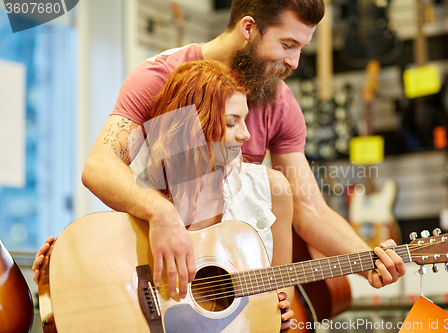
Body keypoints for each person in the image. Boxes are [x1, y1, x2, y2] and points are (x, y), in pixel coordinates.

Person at [62, 0, 406, 305]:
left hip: (230, 290)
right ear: (248, 28)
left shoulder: (279, 101)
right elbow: (100, 166)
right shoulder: (160, 78)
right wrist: (160, 214)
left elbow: (309, 208)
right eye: (287, 44)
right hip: (165, 284)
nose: (295, 62)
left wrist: (368, 259)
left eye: (301, 48)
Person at [33, 60, 295, 331]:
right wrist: (57, 276)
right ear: (195, 128)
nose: (246, 134)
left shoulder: (271, 190)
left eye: (245, 120)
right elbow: (106, 286)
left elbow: (280, 291)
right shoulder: (142, 198)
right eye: (231, 123)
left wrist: (282, 318)